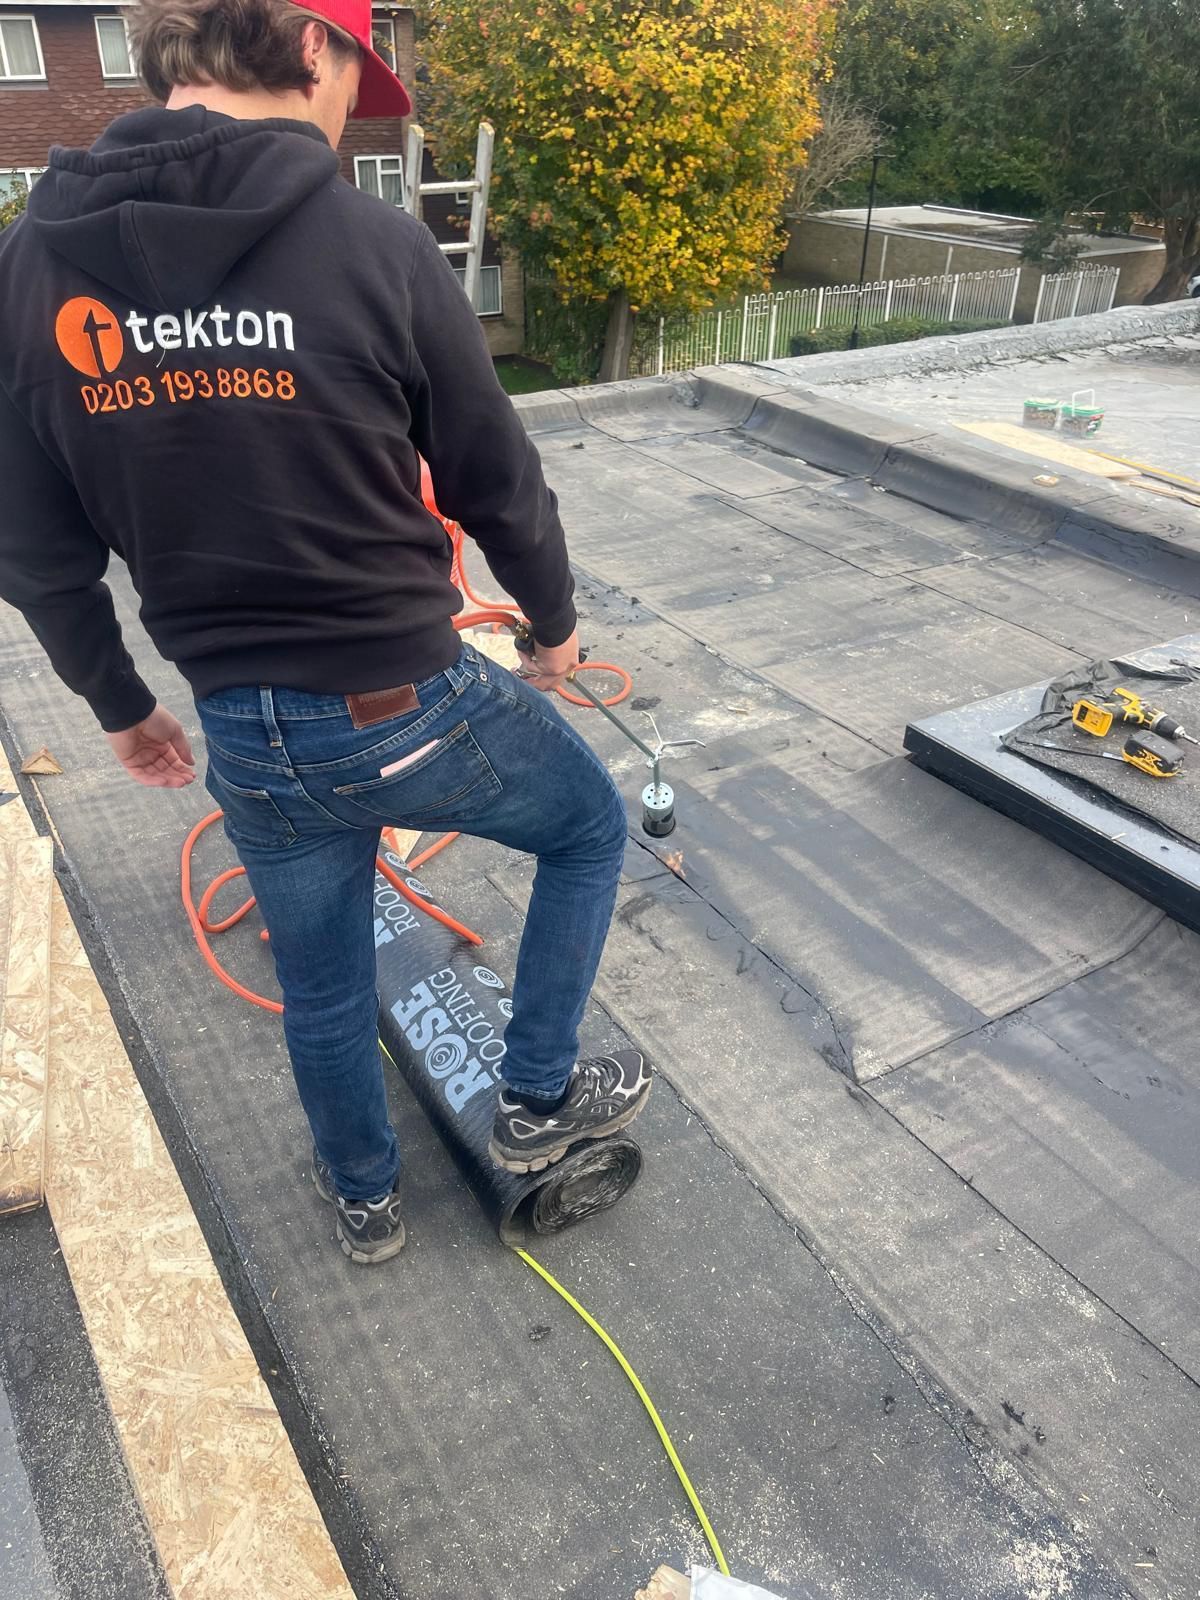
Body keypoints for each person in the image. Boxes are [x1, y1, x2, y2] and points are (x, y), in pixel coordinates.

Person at [0, 0, 650, 1265]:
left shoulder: (28, 267)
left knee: (326, 982)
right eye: (362, 66)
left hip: (243, 730)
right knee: (586, 825)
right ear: (310, 45)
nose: (362, 102)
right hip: (404, 703)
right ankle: (535, 1093)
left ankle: (365, 1196)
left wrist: (121, 705)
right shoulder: (371, 242)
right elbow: (493, 476)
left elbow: (32, 546)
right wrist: (555, 630)